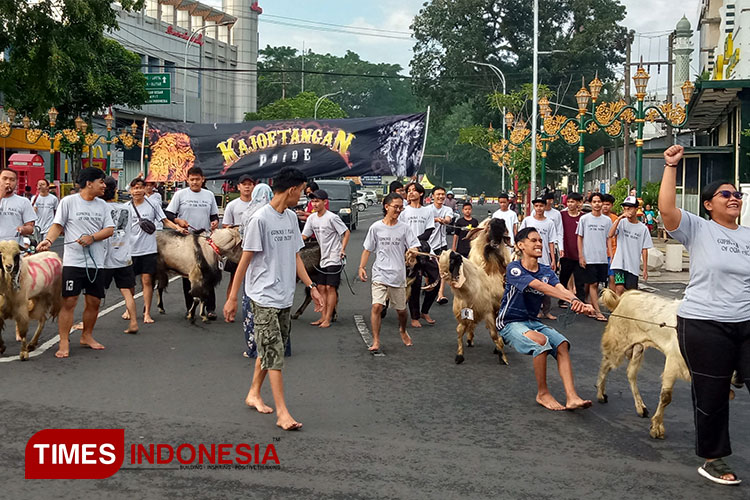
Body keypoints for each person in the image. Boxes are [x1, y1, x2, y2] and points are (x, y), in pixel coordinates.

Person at [660, 144, 750, 485]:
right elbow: (667, 209)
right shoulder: (699, 228)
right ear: (709, 204)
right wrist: (671, 167)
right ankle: (713, 459)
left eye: (737, 194)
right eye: (725, 194)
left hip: (746, 323)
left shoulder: (748, 236)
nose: (733, 198)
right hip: (704, 324)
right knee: (712, 394)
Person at [223, 167, 324, 432]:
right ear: (292, 189)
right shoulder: (260, 220)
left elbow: (295, 256)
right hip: (262, 297)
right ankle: (282, 413)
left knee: (269, 348)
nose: (302, 196)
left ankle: (254, 392)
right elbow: (243, 262)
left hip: (284, 296)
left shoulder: (290, 217)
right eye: (301, 191)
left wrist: (311, 285)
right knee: (275, 353)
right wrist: (233, 298)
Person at [496, 227, 594, 411]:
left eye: (540, 240)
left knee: (562, 344)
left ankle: (572, 397)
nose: (539, 244)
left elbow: (560, 288)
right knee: (541, 342)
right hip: (509, 323)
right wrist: (571, 300)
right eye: (533, 240)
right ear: (520, 245)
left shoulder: (546, 270)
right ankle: (542, 393)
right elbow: (542, 287)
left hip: (531, 322)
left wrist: (578, 302)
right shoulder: (514, 268)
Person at [37, 168, 114, 358]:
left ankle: (86, 335)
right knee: (70, 301)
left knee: (94, 301)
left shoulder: (103, 206)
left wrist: (92, 237)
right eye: (101, 182)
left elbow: (110, 229)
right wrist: (48, 241)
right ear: (89, 183)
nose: (104, 186)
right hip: (73, 262)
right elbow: (58, 225)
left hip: (97, 263)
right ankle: (64, 341)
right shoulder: (68, 202)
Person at [359, 192, 419, 351]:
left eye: (401, 207)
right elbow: (367, 250)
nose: (399, 210)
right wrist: (361, 267)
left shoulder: (405, 228)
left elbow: (414, 245)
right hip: (379, 274)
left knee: (401, 311)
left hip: (398, 275)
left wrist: (413, 251)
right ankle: (376, 341)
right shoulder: (376, 227)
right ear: (386, 207)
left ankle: (403, 330)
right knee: (377, 307)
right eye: (396, 207)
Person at [128, 177, 187, 324]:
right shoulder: (125, 207)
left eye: (140, 187)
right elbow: (119, 228)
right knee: (129, 284)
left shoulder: (153, 204)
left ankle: (147, 312)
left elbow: (165, 220)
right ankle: (129, 309)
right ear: (130, 191)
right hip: (130, 250)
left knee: (147, 280)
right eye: (135, 188)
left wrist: (177, 228)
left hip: (148, 249)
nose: (138, 191)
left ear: (145, 189)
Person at [165, 166, 220, 320]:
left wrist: (215, 222)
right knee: (188, 275)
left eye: (197, 179)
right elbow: (168, 214)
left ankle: (210, 308)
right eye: (192, 179)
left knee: (208, 273)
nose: (195, 182)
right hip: (186, 240)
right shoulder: (180, 195)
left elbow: (214, 215)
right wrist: (178, 221)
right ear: (187, 180)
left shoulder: (209, 195)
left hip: (205, 240)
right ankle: (190, 307)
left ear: (203, 180)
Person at [301, 189, 350, 328]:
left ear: (325, 202)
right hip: (322, 258)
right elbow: (304, 236)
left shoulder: (332, 217)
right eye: (313, 201)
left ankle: (328, 318)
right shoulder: (311, 218)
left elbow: (346, 232)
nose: (314, 204)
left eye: (317, 201)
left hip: (335, 257)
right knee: (321, 287)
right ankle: (322, 317)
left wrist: (342, 249)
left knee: (330, 287)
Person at [100, 176, 139, 334]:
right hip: (123, 255)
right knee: (126, 291)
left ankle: (87, 323)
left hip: (105, 257)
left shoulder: (100, 207)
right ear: (115, 190)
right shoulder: (126, 208)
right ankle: (134, 322)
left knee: (96, 293)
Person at [239, 183, 274, 359]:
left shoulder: (249, 214)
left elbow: (242, 240)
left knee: (251, 308)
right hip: (273, 267)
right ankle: (277, 345)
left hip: (253, 266)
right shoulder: (274, 213)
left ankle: (254, 347)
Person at [399, 181, 437, 327]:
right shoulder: (403, 212)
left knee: (436, 278)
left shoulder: (427, 211)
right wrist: (410, 246)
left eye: (414, 190)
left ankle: (425, 310)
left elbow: (428, 231)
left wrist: (415, 242)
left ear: (421, 193)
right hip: (408, 252)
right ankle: (414, 317)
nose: (411, 192)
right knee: (415, 283)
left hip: (423, 249)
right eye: (409, 190)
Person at [519, 198, 558, 320]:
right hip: (529, 260)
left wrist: (553, 259)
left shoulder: (549, 223)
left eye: (541, 206)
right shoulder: (527, 221)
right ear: (533, 207)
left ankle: (546, 311)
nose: (539, 208)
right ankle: (534, 311)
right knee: (530, 287)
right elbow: (521, 239)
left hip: (544, 259)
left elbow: (551, 242)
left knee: (547, 286)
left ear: (545, 207)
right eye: (536, 206)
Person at [576, 192, 611, 321]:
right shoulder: (584, 219)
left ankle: (588, 304)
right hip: (589, 257)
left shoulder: (607, 220)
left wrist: (610, 255)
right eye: (594, 202)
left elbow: (609, 239)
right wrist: (581, 256)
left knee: (596, 284)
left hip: (601, 257)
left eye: (599, 201)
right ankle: (597, 312)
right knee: (593, 284)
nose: (597, 204)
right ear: (590, 203)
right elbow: (579, 237)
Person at [608, 195, 652, 295]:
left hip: (633, 265)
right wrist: (619, 218)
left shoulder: (643, 228)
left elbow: (644, 249)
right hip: (619, 264)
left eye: (630, 208)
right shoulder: (621, 223)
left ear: (636, 209)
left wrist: (645, 269)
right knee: (619, 288)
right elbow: (610, 234)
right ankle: (617, 309)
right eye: (625, 208)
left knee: (631, 293)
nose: (627, 211)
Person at [222, 174, 255, 299]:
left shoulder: (259, 205)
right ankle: (229, 305)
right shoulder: (232, 205)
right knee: (234, 279)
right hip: (236, 248)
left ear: (254, 186)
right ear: (239, 187)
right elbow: (226, 225)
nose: (247, 187)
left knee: (253, 280)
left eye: (250, 184)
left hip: (254, 246)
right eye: (244, 184)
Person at [557, 192, 586, 309]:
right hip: (566, 254)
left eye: (572, 201)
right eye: (568, 201)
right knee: (563, 278)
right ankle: (562, 300)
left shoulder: (583, 217)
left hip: (579, 254)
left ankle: (580, 303)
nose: (570, 204)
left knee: (580, 281)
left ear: (579, 203)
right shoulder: (561, 215)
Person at [428, 186, 453, 305]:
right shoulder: (427, 210)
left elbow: (448, 219)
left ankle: (440, 294)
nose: (441, 196)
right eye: (438, 194)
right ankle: (429, 284)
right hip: (427, 244)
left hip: (441, 244)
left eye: (442, 194)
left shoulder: (447, 209)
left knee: (442, 269)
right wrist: (435, 219)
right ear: (432, 196)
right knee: (428, 269)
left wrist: (444, 220)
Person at [0, 169, 36, 243]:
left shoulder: (24, 201)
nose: (8, 182)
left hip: (14, 248)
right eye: (4, 179)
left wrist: (23, 229)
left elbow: (30, 228)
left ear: (16, 182)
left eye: (12, 180)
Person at [601, 193, 619, 289]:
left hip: (613, 252)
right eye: (603, 204)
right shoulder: (595, 217)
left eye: (607, 204)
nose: (605, 207)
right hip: (599, 254)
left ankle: (611, 300)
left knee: (613, 278)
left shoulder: (616, 219)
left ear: (612, 205)